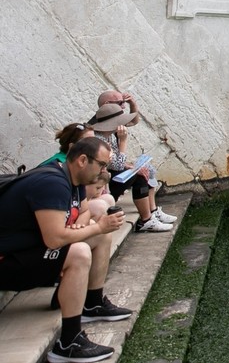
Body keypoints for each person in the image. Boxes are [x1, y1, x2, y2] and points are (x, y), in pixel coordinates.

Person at [0, 136, 131, 363]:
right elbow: (55, 239)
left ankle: (93, 303)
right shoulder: (52, 183)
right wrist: (97, 226)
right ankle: (68, 343)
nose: (104, 171)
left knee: (99, 236)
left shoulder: (73, 178)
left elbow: (84, 211)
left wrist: (83, 225)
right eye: (101, 164)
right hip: (7, 260)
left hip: (26, 253)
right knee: (79, 251)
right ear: (82, 160)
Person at [89, 92, 177, 233]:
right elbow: (116, 164)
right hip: (104, 181)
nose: (123, 106)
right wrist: (123, 142)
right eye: (120, 103)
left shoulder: (109, 131)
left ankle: (153, 210)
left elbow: (133, 121)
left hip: (110, 173)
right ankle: (146, 220)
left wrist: (133, 104)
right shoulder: (98, 136)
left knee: (146, 168)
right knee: (139, 176)